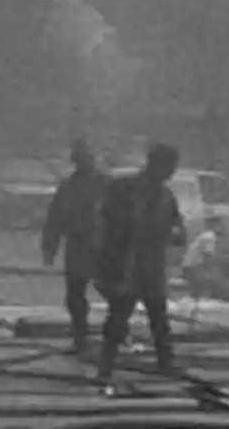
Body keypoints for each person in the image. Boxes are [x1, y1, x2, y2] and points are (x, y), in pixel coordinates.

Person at [94, 142, 187, 383]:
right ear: (156, 164)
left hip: (152, 265)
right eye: (168, 167)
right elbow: (110, 224)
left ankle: (166, 362)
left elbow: (178, 229)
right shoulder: (125, 189)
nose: (170, 173)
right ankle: (105, 366)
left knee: (158, 317)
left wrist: (174, 233)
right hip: (128, 263)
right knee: (118, 316)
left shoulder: (166, 196)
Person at [41, 138, 110, 355]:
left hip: (103, 246)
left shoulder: (105, 185)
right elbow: (55, 219)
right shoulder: (69, 187)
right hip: (79, 246)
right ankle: (81, 337)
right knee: (75, 295)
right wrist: (49, 247)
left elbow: (120, 215)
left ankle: (116, 334)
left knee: (111, 291)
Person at [181, 216, 226, 319]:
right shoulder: (210, 236)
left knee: (197, 290)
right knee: (200, 288)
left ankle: (193, 313)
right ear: (216, 225)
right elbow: (207, 255)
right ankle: (193, 314)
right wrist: (210, 271)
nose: (223, 227)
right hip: (193, 265)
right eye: (221, 225)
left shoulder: (206, 235)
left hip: (190, 264)